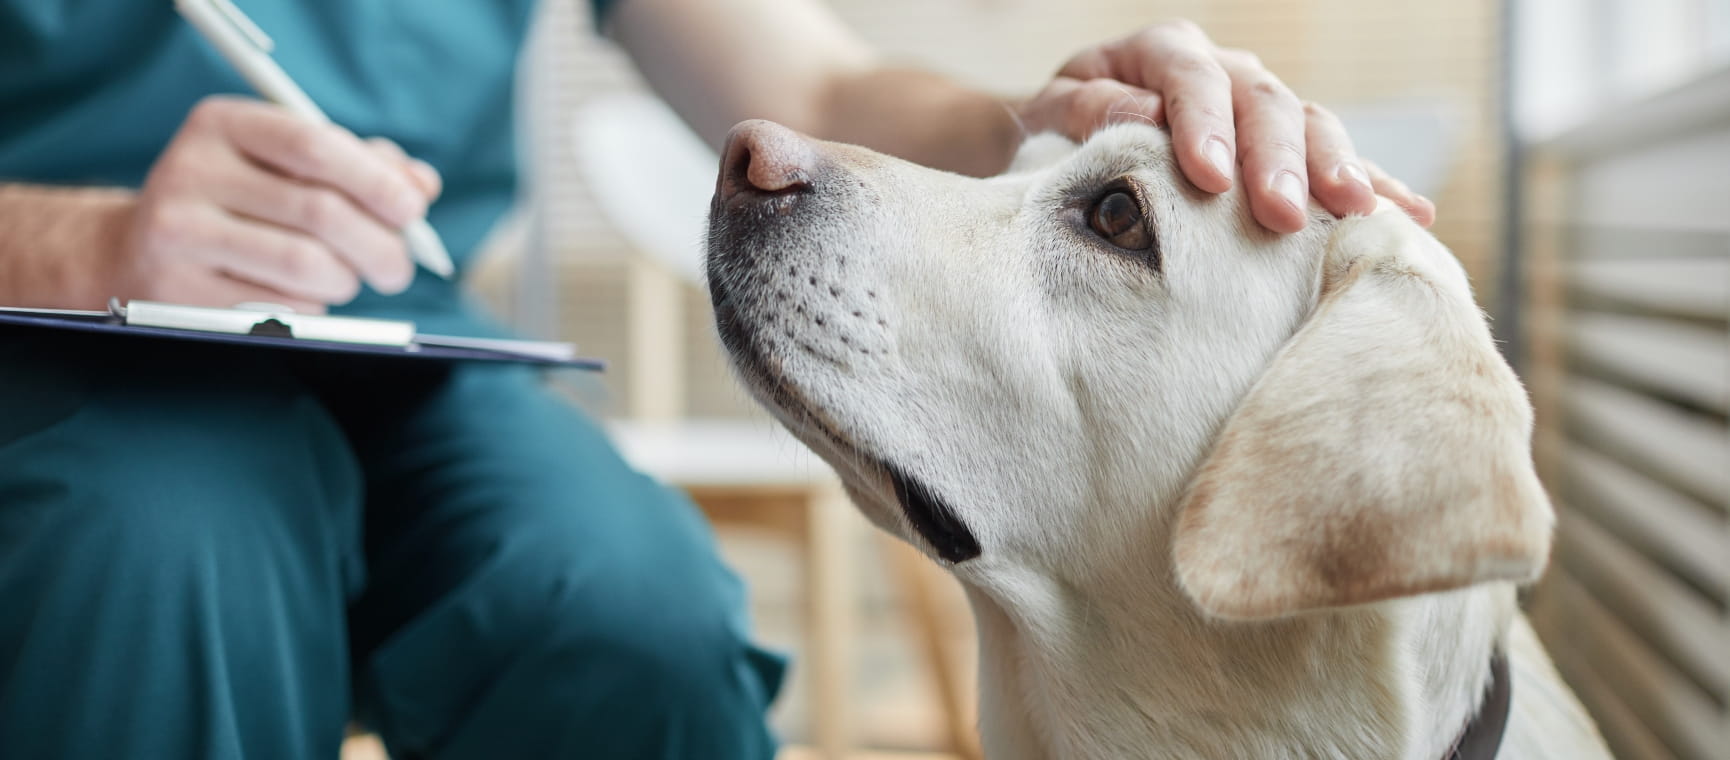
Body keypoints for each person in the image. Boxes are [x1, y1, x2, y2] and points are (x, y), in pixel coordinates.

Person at [0, 1, 1433, 758]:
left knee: (633, 614)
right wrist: (81, 238)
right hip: (42, 337)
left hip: (403, 337)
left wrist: (1033, 116)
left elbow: (810, 92)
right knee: (153, 556)